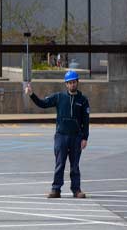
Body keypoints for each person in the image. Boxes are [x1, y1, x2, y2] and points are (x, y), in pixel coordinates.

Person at [24, 70, 90, 198]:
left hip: (76, 137)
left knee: (75, 165)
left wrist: (85, 138)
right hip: (61, 136)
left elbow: (86, 121)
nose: (72, 85)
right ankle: (56, 189)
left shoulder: (83, 100)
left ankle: (76, 190)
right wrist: (31, 94)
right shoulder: (59, 97)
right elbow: (43, 103)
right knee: (60, 163)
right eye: (69, 83)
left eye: (74, 82)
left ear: (77, 82)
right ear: (66, 84)